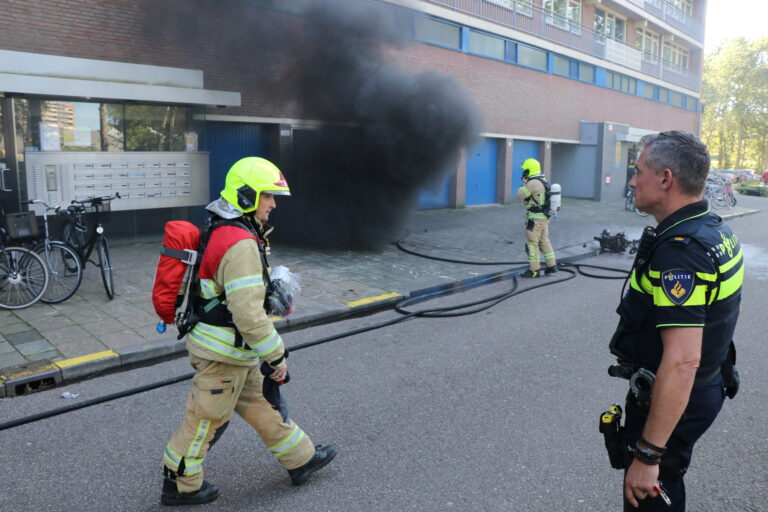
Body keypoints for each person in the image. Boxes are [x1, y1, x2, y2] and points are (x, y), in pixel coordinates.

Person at [160, 157, 337, 506]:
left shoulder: (227, 230)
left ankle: (300, 459)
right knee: (204, 421)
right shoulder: (239, 243)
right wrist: (276, 355)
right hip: (222, 354)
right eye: (267, 196)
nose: (272, 205)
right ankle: (180, 484)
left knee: (260, 406)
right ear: (246, 195)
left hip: (233, 352)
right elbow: (248, 314)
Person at [608, 131, 742, 511]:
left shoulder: (682, 253)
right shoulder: (714, 229)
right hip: (707, 387)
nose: (632, 181)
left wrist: (649, 456)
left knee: (650, 494)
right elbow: (727, 311)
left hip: (675, 399)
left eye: (638, 171)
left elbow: (683, 361)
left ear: (665, 179)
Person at [515, 158, 556, 277]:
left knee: (531, 244)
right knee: (544, 241)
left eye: (525, 170)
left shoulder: (532, 182)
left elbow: (519, 195)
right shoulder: (543, 179)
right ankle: (551, 266)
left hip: (535, 220)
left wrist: (524, 183)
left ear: (529, 170)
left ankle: (534, 270)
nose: (523, 172)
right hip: (544, 218)